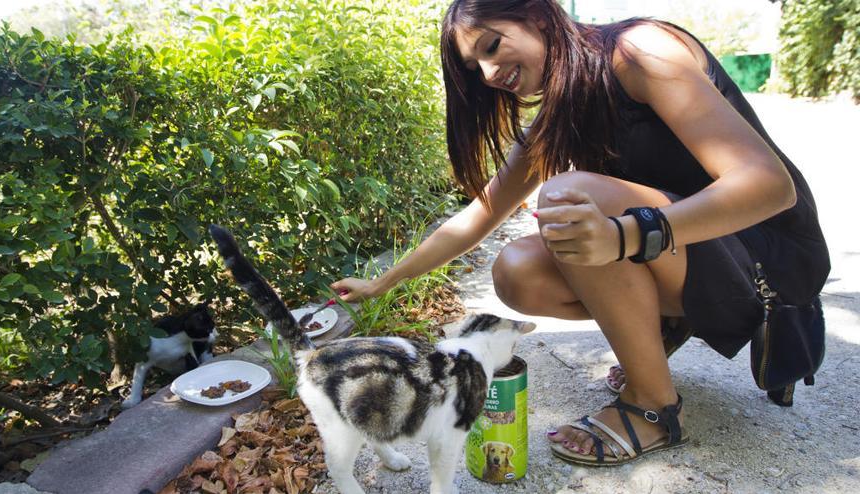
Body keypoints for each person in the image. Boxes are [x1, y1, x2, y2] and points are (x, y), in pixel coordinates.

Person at [330, 0, 829, 466]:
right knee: (517, 272)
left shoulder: (640, 52)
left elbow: (768, 188)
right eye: (473, 69)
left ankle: (653, 406)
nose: (487, 74)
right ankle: (662, 329)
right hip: (692, 252)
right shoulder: (559, 113)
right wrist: (383, 283)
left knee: (567, 198)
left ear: (538, 17)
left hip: (768, 253)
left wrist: (629, 234)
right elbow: (476, 216)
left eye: (491, 46)